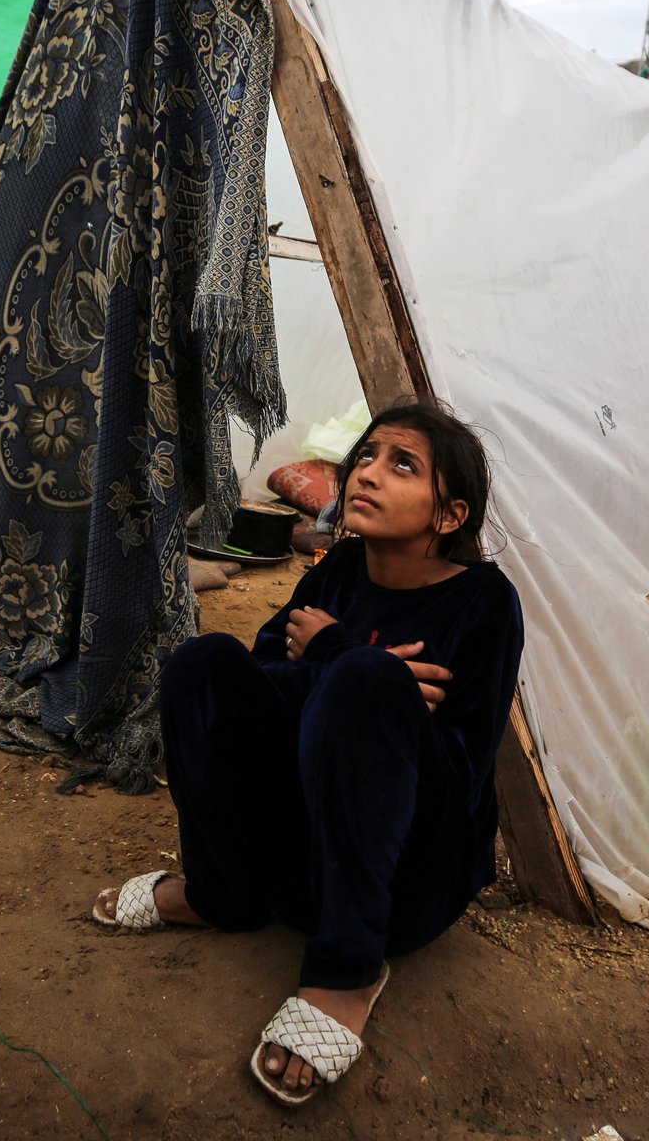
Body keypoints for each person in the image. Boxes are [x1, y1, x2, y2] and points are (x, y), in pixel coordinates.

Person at [92, 401, 524, 1106]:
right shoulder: (339, 569)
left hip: (403, 885)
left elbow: (461, 769)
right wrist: (347, 672)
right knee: (202, 664)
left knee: (363, 678)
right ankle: (219, 892)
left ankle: (347, 970)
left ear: (448, 516)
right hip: (297, 858)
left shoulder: (483, 604)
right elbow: (262, 683)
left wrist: (339, 656)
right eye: (368, 456)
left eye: (403, 464)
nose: (368, 473)